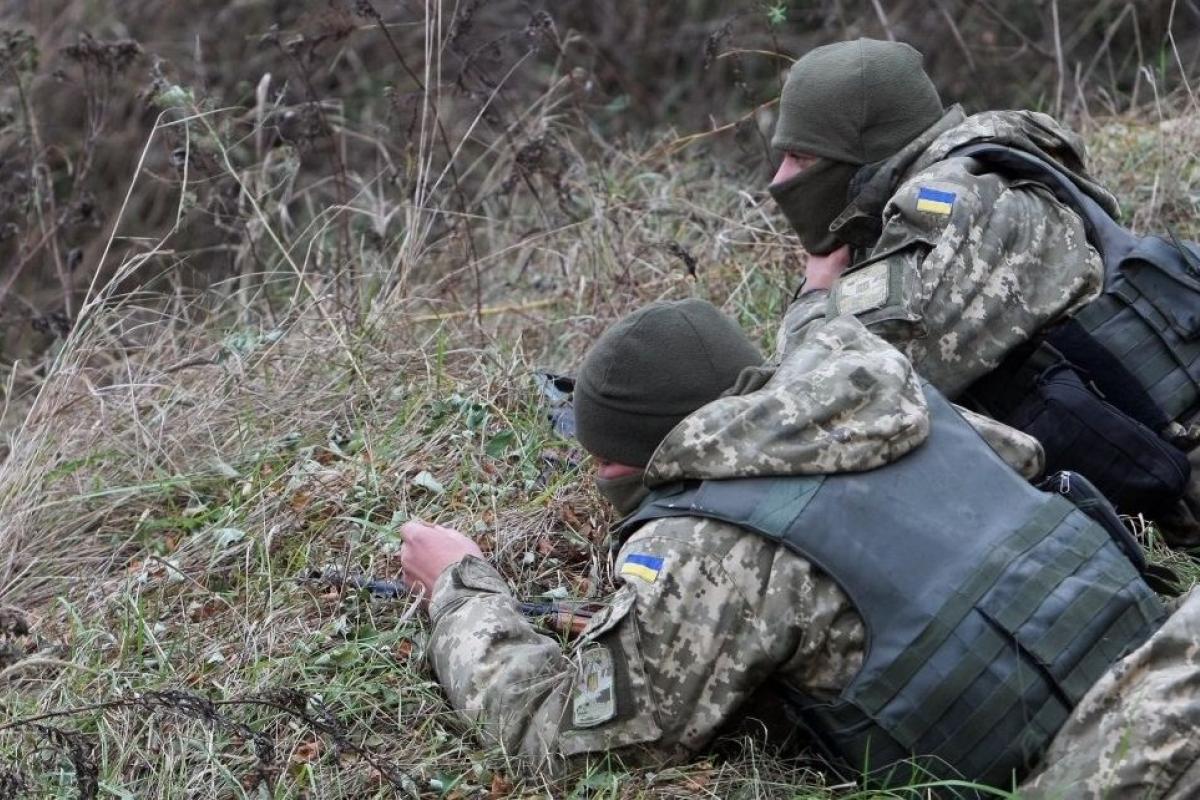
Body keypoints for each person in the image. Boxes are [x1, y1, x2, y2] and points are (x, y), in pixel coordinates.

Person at [400, 297, 1165, 793]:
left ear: (628, 461)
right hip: (1168, 664)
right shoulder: (904, 405)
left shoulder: (708, 545)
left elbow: (564, 740)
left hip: (1096, 773)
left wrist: (461, 589)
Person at [766, 38, 1200, 545]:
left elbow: (829, 396)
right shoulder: (991, 168)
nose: (780, 179)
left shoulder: (950, 206)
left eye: (801, 156)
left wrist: (814, 296)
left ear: (864, 154)